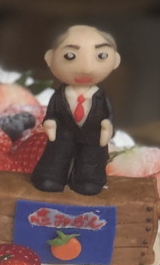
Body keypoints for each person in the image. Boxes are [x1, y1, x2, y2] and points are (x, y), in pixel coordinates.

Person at [32, 25, 121, 196]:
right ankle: (51, 178)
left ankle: (88, 180)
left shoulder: (101, 97)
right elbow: (53, 112)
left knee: (91, 159)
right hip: (63, 134)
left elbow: (107, 115)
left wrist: (107, 126)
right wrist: (50, 122)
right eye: (70, 56)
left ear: (115, 60)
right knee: (56, 157)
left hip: (93, 135)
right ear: (50, 58)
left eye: (101, 56)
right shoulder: (59, 95)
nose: (86, 69)